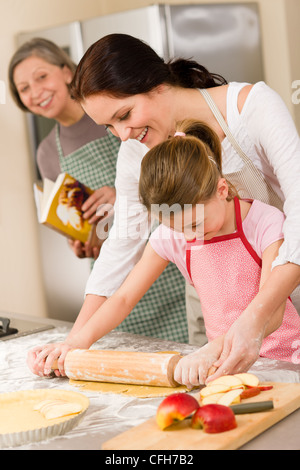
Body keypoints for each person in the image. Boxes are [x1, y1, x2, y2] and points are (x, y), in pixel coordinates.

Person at [27, 33, 300, 380]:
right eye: (109, 126)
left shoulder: (253, 107)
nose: (123, 133)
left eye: (124, 114)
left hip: (286, 279)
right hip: (216, 301)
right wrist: (75, 341)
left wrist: (255, 320)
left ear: (157, 85)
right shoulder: (133, 153)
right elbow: (121, 246)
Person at [9, 37, 189, 342]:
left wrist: (123, 200)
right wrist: (81, 240)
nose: (35, 92)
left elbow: (183, 179)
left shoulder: (125, 113)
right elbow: (80, 220)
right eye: (23, 88)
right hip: (115, 279)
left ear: (67, 72)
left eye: (41, 77)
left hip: (169, 264)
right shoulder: (47, 153)